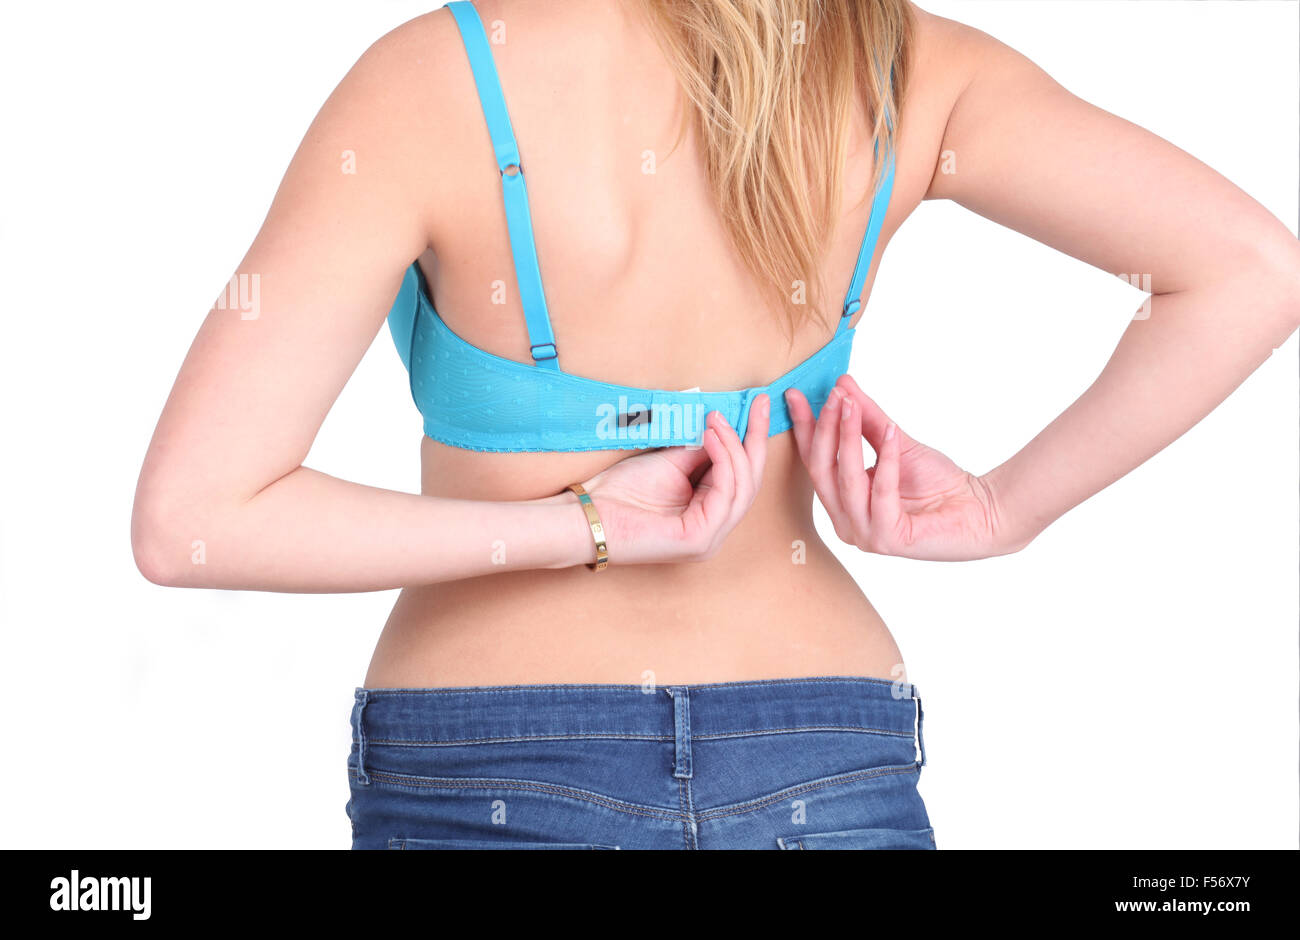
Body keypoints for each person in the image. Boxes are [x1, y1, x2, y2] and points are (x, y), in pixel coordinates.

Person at [131, 0, 1300, 849]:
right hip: (824, 753)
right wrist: (1001, 509)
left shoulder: (434, 80)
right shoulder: (904, 69)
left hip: (493, 757)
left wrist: (581, 527)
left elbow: (193, 519)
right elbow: (1250, 270)